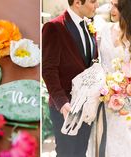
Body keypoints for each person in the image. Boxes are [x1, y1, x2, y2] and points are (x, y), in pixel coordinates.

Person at [86, 0, 131, 156]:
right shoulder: (105, 30)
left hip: (119, 101)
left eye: (117, 6)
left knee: (116, 138)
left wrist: (124, 94)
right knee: (96, 137)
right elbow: (98, 62)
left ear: (130, 7)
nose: (111, 9)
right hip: (98, 97)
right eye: (111, 4)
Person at [42, 0, 99, 156]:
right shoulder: (54, 27)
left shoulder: (89, 26)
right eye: (93, 1)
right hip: (66, 108)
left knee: (81, 151)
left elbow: (91, 62)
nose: (97, 5)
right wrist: (62, 103)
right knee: (66, 153)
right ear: (77, 3)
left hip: (87, 107)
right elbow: (48, 70)